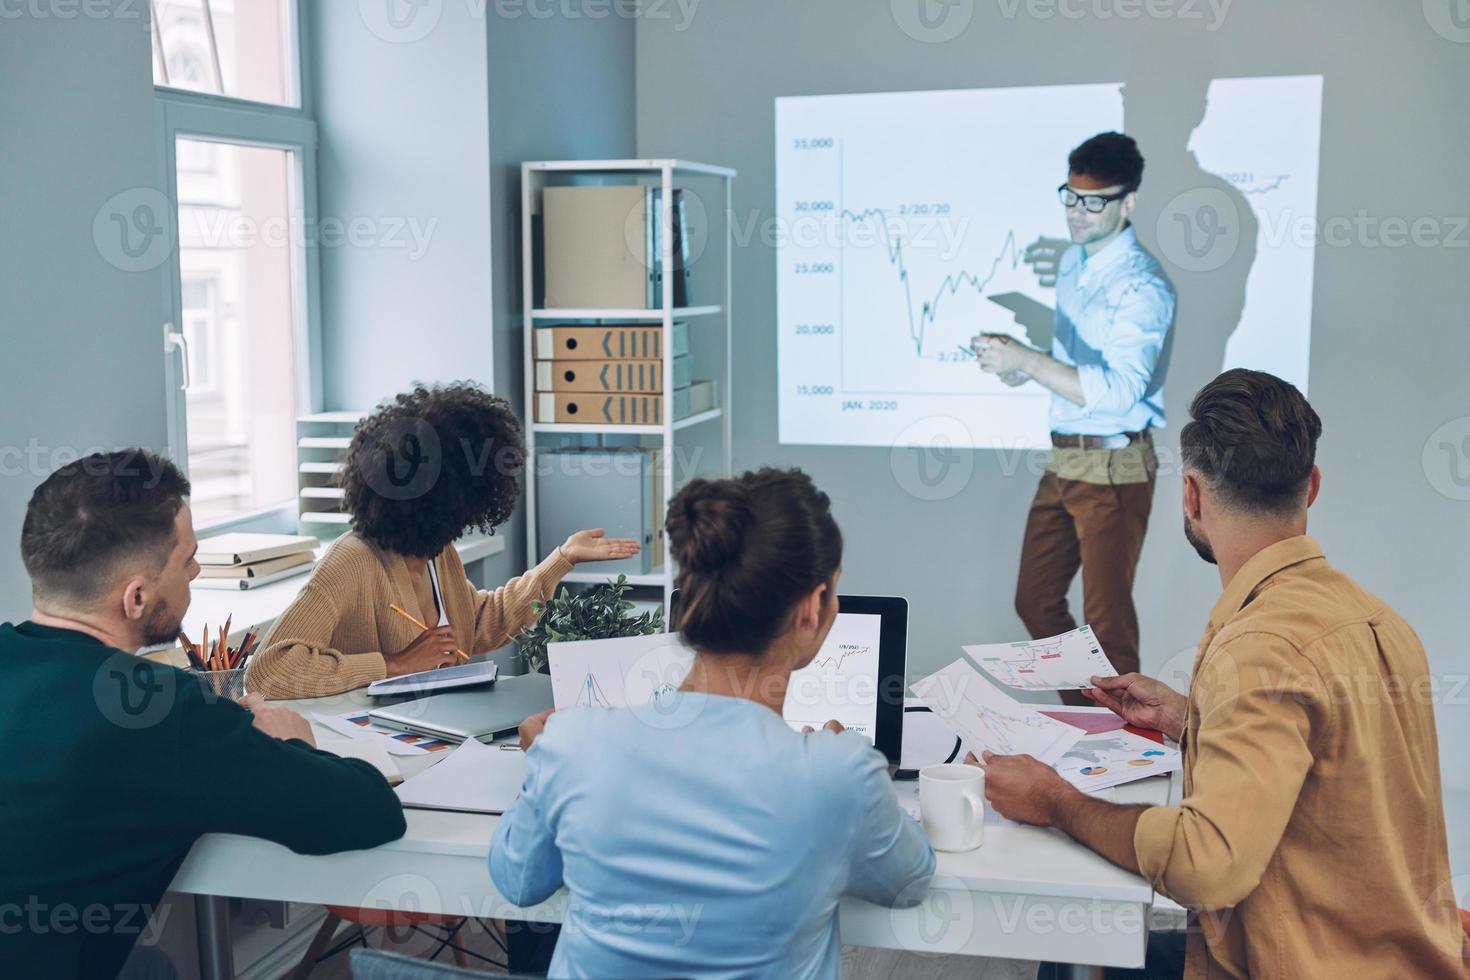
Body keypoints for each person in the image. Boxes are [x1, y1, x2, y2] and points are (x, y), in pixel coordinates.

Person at [974, 371, 1470, 978]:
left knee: (1075, 946)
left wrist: (1057, 801)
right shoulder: (1380, 622)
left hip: (1301, 965)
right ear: (1311, 487)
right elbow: (1333, 761)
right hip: (1401, 958)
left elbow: (1207, 867)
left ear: (1190, 495)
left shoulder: (1258, 648)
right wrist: (1192, 719)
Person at [489, 468, 935, 978]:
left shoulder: (572, 744)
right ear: (812, 608)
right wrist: (845, 773)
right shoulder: (838, 773)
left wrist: (542, 770)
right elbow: (910, 881)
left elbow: (517, 880)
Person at [0, 450, 407, 980]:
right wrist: (295, 745)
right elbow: (370, 810)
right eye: (188, 559)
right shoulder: (160, 710)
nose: (195, 571)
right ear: (137, 597)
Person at [246, 383, 638, 699]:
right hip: (380, 753)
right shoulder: (352, 561)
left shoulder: (437, 553)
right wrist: (394, 663)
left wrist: (562, 558)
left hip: (438, 738)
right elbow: (268, 671)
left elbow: (482, 622)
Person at [973, 131, 1176, 705]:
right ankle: (1094, 721)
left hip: (1114, 464)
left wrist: (1030, 360)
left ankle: (1123, 755)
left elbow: (1118, 391)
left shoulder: (1144, 285)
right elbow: (1070, 369)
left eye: (1094, 201)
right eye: (1070, 197)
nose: (1077, 213)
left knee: (1107, 629)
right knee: (1034, 600)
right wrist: (1018, 366)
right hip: (1065, 456)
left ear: (1127, 203)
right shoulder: (1071, 263)